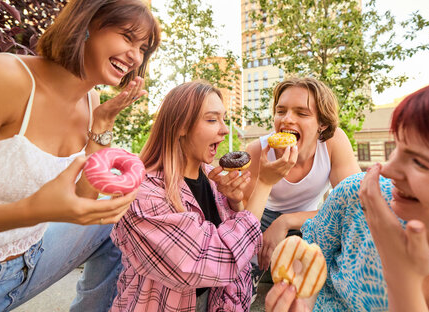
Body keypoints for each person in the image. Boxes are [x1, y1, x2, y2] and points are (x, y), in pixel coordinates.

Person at [0, 0, 161, 312]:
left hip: (31, 259)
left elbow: (82, 201)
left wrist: (102, 124)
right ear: (86, 23)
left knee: (121, 222)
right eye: (127, 37)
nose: (135, 56)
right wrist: (33, 211)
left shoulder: (92, 100)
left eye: (143, 48)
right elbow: (49, 209)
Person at [265, 67, 429, 311]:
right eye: (397, 148)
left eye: (419, 162)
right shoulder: (356, 196)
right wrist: (302, 300)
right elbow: (307, 261)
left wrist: (401, 282)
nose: (387, 170)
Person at [110, 81, 297, 312]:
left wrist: (236, 203)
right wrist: (265, 183)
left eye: (223, 119)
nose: (225, 129)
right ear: (180, 126)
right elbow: (216, 261)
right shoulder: (141, 195)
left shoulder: (213, 177)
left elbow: (241, 249)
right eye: (211, 119)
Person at [243, 77, 360, 277]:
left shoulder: (334, 142)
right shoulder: (257, 151)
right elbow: (245, 217)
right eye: (281, 111)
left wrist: (286, 221)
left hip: (312, 217)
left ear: (322, 124)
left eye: (302, 113)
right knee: (244, 265)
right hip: (262, 216)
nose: (287, 119)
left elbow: (352, 205)